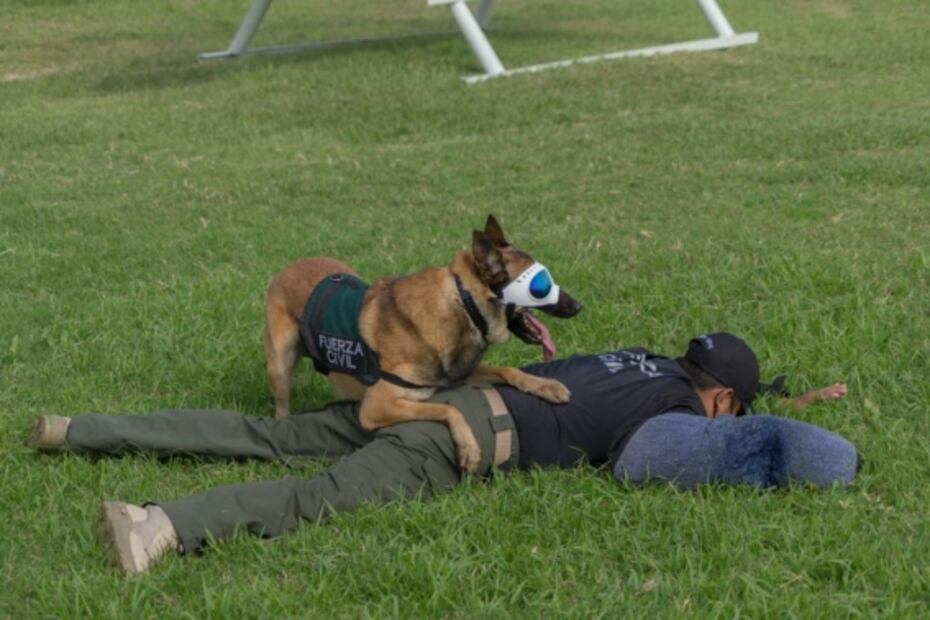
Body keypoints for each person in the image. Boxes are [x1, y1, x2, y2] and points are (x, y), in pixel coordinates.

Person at [29, 332, 855, 575]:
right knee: (318, 495)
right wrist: (829, 456)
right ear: (716, 402)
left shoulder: (636, 361)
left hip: (421, 398)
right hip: (455, 438)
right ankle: (157, 524)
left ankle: (77, 429)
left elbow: (657, 401)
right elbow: (655, 460)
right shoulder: (677, 413)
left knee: (264, 435)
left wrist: (783, 393)